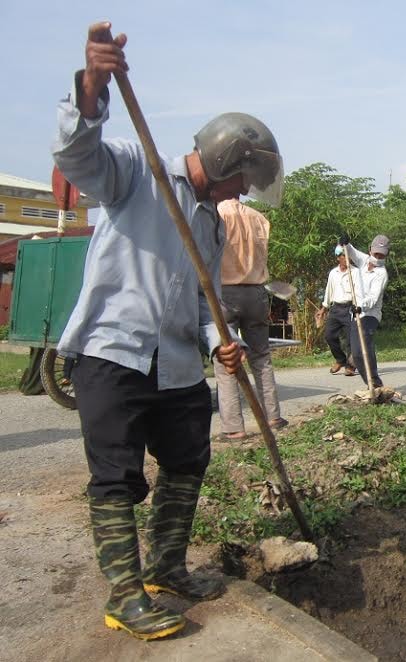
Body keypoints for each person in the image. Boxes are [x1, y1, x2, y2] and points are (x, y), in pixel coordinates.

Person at [52, 23, 281, 640]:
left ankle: (167, 567)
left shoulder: (211, 224)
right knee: (116, 476)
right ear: (230, 160)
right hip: (114, 353)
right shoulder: (136, 168)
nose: (243, 194)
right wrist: (94, 87)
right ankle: (125, 596)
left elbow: (206, 303)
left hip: (177, 364)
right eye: (243, 181)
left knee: (188, 462)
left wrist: (218, 342)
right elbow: (75, 156)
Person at [213, 199, 287, 439]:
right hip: (256, 291)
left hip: (225, 291)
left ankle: (234, 428)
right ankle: (273, 416)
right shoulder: (258, 217)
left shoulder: (215, 214)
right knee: (262, 355)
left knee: (227, 361)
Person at [339, 233, 390, 389]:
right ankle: (371, 384)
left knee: (365, 348)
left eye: (382, 255)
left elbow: (374, 298)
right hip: (356, 314)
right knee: (356, 353)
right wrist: (345, 243)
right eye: (376, 253)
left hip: (370, 315)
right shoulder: (363, 261)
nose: (378, 257)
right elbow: (351, 251)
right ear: (370, 250)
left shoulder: (382, 274)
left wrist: (361, 306)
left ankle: (375, 382)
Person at [316, 247, 356, 376]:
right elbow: (329, 290)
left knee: (351, 339)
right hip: (335, 308)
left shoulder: (355, 272)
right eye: (344, 256)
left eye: (349, 256)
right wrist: (323, 308)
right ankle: (340, 360)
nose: (347, 258)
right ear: (338, 257)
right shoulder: (333, 273)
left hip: (351, 308)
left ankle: (350, 366)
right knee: (329, 336)